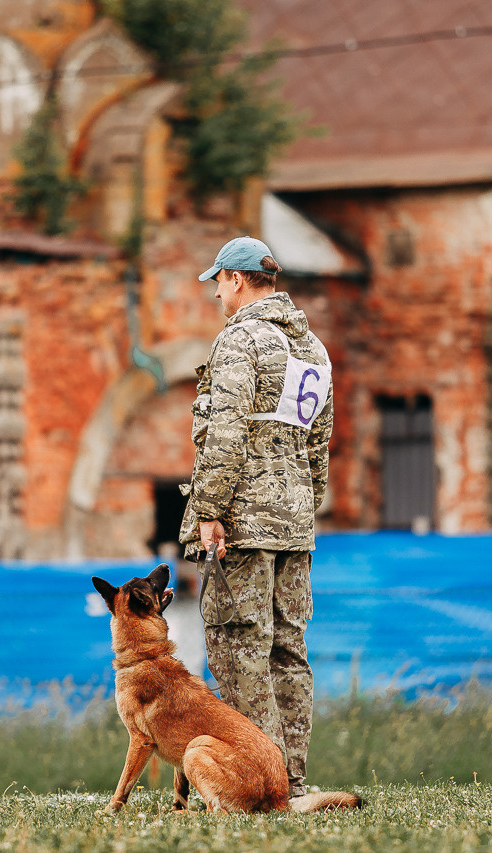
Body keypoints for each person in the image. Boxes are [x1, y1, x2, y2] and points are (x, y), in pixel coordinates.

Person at [178, 235, 333, 799]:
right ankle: (292, 782)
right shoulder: (313, 349)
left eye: (219, 282)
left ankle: (263, 784)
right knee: (288, 650)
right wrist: (301, 507)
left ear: (238, 279)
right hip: (295, 524)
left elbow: (225, 431)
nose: (217, 293)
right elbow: (318, 445)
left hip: (242, 522)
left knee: (239, 646)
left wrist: (210, 509)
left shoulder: (241, 340)